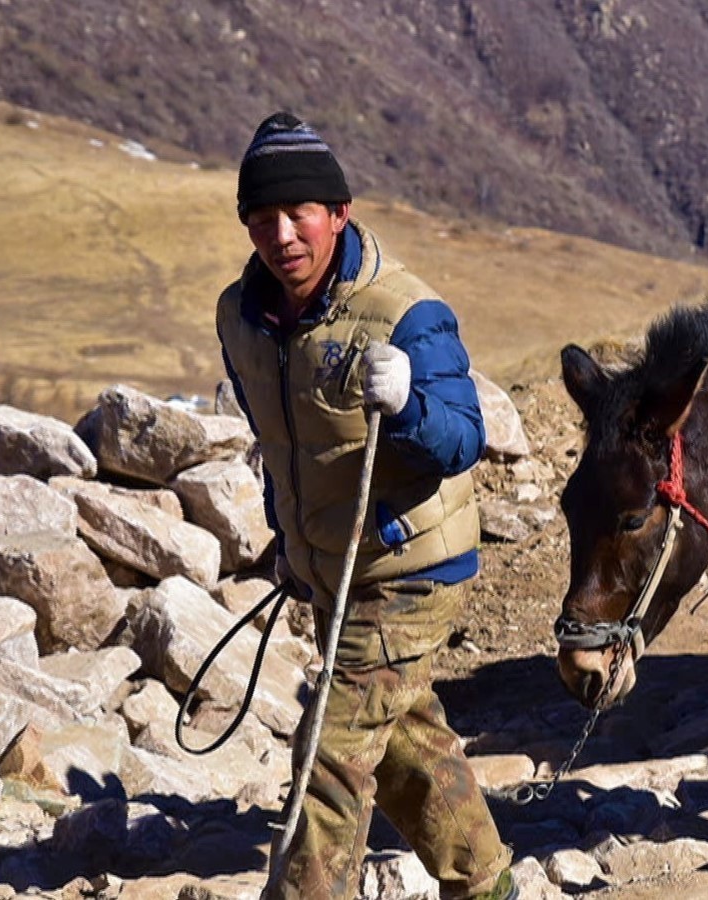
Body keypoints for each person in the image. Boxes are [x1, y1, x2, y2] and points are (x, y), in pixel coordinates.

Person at [216, 112, 515, 900]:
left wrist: (411, 400)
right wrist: (291, 540)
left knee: (331, 752)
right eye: (263, 217)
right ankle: (486, 885)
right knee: (406, 741)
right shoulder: (242, 319)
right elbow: (279, 444)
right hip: (334, 570)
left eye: (299, 213)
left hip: (410, 566)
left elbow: (462, 438)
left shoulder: (406, 313)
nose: (282, 234)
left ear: (339, 213)